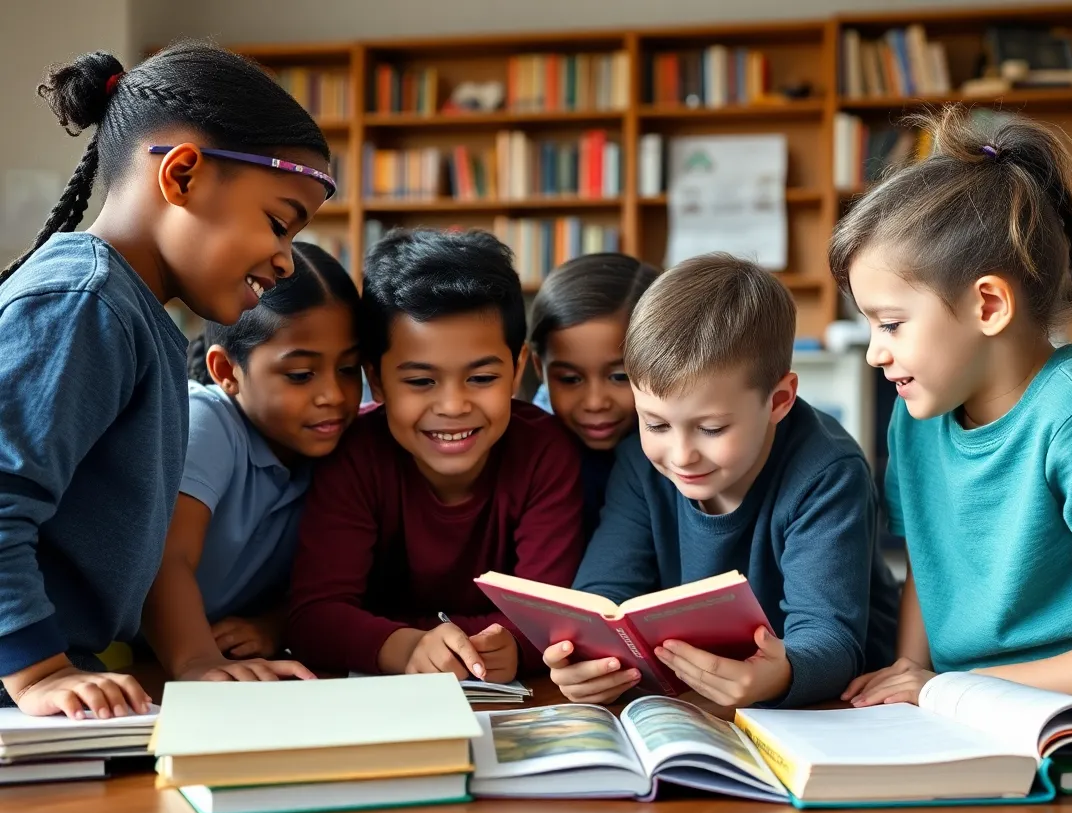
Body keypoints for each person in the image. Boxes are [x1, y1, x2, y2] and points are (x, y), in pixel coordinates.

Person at [834, 106, 1072, 733]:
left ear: (988, 304)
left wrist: (953, 688)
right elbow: (927, 571)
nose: (876, 351)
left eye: (892, 323)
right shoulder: (916, 417)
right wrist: (908, 676)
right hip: (983, 719)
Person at [0, 42, 334, 718]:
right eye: (278, 222)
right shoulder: (83, 302)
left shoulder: (133, 315)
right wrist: (38, 671)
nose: (287, 261)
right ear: (181, 175)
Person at [545, 253, 899, 708]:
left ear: (779, 400)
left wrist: (779, 674)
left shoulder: (828, 473)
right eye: (655, 424)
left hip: (836, 707)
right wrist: (583, 659)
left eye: (711, 429)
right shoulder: (639, 460)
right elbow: (605, 592)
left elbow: (830, 638)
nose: (680, 455)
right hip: (698, 698)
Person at [286, 228, 585, 682]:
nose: (452, 406)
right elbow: (313, 615)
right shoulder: (354, 455)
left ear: (518, 368)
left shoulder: (545, 452)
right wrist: (406, 648)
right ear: (378, 380)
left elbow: (549, 618)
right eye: (421, 382)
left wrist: (516, 643)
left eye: (482, 378)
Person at [141, 242, 361, 682]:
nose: (333, 396)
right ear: (226, 372)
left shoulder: (342, 445)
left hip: (215, 652)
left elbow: (335, 580)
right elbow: (167, 558)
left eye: (349, 369)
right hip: (125, 650)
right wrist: (197, 661)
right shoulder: (206, 419)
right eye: (300, 375)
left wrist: (272, 624)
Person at [528, 253, 660, 535]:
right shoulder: (529, 453)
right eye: (570, 379)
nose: (595, 402)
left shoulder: (678, 453)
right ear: (540, 368)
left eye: (620, 377)